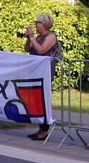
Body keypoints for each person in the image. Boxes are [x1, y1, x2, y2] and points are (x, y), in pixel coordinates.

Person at [24, 13, 62, 141]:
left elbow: (41, 50)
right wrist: (29, 38)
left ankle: (45, 130)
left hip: (45, 73)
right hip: (35, 72)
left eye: (38, 22)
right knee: (36, 101)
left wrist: (32, 37)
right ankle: (40, 128)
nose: (36, 25)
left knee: (42, 100)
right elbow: (27, 49)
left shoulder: (51, 37)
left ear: (44, 24)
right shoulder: (38, 37)